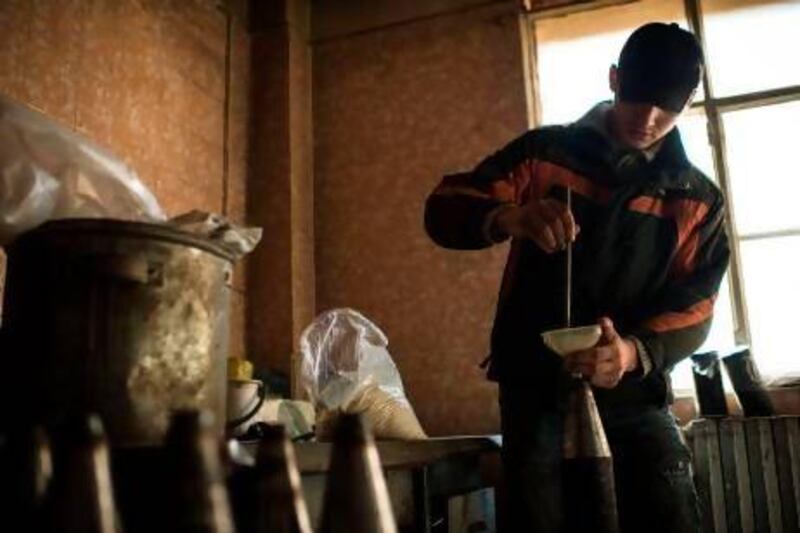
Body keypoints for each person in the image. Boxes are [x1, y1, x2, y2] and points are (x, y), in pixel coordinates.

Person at [424, 22, 729, 533]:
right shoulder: (544, 155)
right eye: (637, 98)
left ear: (689, 105)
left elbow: (697, 306)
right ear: (613, 79)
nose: (649, 119)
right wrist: (508, 218)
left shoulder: (697, 199)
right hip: (535, 390)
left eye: (667, 107)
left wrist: (631, 353)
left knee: (669, 516)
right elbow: (443, 207)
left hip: (636, 397)